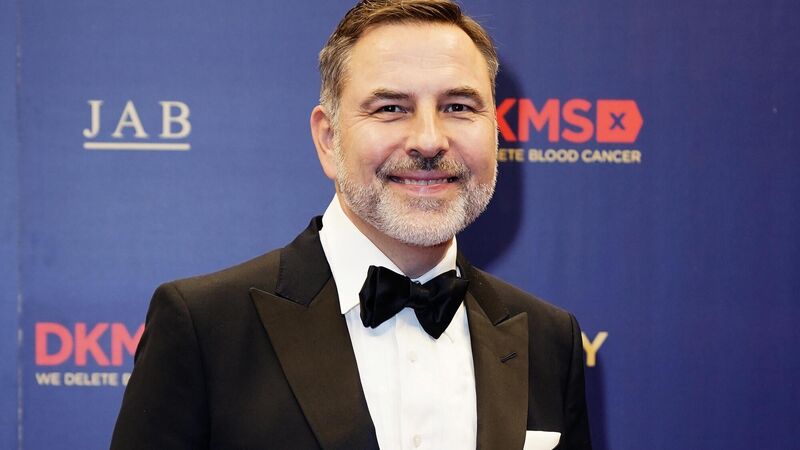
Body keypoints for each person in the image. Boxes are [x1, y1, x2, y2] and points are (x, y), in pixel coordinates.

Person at [111, 1, 592, 449]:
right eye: (390, 108)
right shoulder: (204, 328)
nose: (429, 140)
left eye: (458, 107)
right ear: (328, 139)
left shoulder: (549, 339)